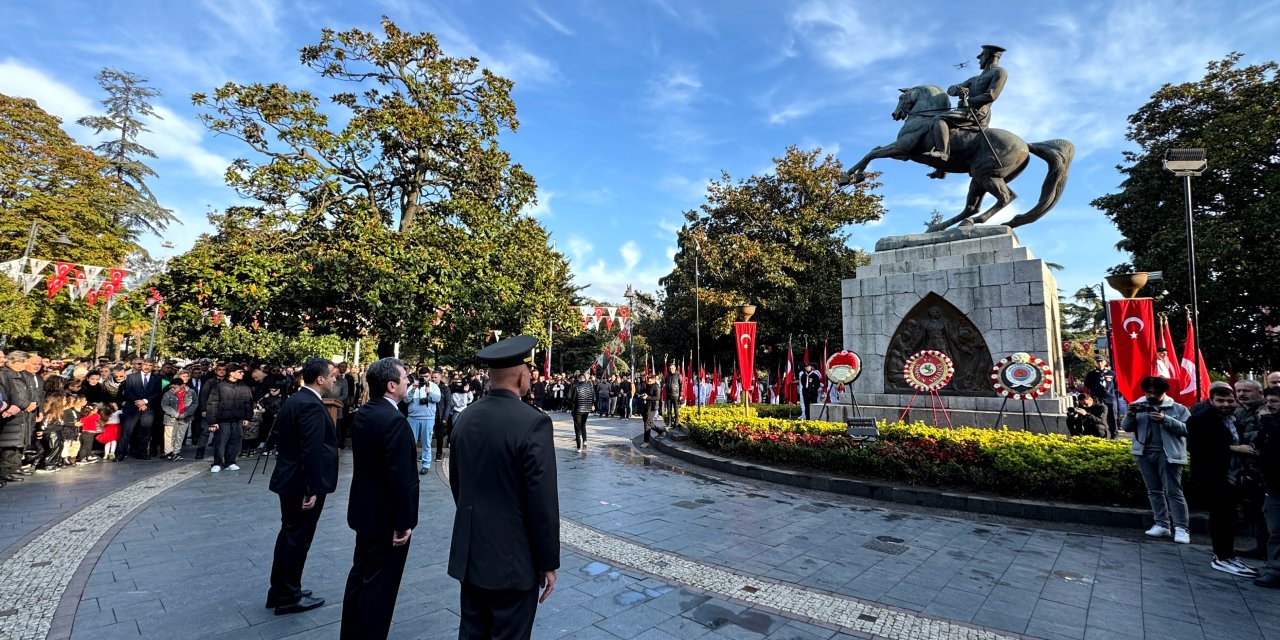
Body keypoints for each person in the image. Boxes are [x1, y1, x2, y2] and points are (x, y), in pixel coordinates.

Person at [449, 335, 559, 640]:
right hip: (514, 559)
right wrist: (548, 562)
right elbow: (542, 501)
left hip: (471, 554)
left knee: (472, 632)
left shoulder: (465, 418)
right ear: (522, 376)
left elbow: (457, 483)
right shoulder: (533, 422)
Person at [341, 358, 418, 640]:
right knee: (379, 589)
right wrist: (403, 522)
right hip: (386, 519)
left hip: (365, 512)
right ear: (391, 385)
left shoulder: (365, 413)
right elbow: (399, 478)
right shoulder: (393, 421)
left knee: (361, 578)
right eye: (405, 378)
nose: (409, 382)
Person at [267, 358, 339, 616]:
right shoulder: (309, 405)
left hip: (291, 479)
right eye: (332, 375)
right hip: (300, 483)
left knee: (289, 535)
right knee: (297, 539)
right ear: (320, 379)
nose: (334, 379)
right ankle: (288, 595)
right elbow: (311, 450)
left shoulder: (297, 400)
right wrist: (311, 488)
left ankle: (280, 589)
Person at [1187, 384, 1258, 577]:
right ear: (1211, 400)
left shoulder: (1234, 418)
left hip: (1234, 475)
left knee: (1230, 516)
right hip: (1214, 477)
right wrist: (1233, 449)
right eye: (1220, 400)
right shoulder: (1199, 420)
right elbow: (1197, 448)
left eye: (1229, 400)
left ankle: (1228, 554)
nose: (1225, 404)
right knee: (1221, 516)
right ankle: (1222, 557)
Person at [1123, 375, 1193, 544]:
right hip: (1143, 453)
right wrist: (1131, 415)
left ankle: (1181, 528)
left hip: (1168, 455)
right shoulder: (1139, 405)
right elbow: (1126, 427)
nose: (1152, 396)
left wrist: (1165, 420)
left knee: (1173, 492)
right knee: (1153, 490)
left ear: (1164, 392)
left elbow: (1188, 430)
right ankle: (1161, 523)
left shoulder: (1178, 408)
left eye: (1156, 393)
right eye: (1149, 393)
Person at [924, 44, 1008, 170]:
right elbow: (950, 89)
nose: (979, 58)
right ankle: (943, 169)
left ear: (990, 56)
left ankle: (943, 153)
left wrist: (968, 101)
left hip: (978, 112)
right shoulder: (974, 79)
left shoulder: (999, 72)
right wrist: (959, 89)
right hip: (964, 110)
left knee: (939, 119)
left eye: (982, 55)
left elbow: (991, 95)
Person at [207, 363, 254, 473]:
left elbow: (249, 402)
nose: (242, 374)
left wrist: (248, 417)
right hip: (223, 419)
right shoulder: (219, 386)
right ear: (232, 373)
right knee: (220, 442)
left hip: (238, 419)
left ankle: (230, 462)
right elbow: (212, 403)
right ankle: (217, 462)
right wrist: (212, 421)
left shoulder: (244, 386)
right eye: (240, 372)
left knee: (236, 441)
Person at [117, 359, 164, 461]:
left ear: (153, 367)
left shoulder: (157, 378)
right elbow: (128, 391)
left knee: (145, 431)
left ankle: (142, 452)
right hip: (132, 407)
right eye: (145, 364)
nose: (147, 367)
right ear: (141, 365)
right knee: (126, 431)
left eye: (150, 365)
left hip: (148, 407)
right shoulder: (131, 377)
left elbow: (157, 393)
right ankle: (120, 453)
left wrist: (145, 401)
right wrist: (137, 401)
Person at [406, 366, 440, 475]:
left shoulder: (434, 386)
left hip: (428, 418)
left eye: (426, 376)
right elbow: (406, 400)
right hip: (413, 418)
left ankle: (426, 465)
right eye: (422, 376)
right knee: (411, 443)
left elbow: (438, 399)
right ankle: (409, 464)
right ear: (418, 376)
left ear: (429, 375)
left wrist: (429, 392)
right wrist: (413, 390)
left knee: (427, 443)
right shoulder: (413, 386)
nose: (424, 379)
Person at [161, 370, 198, 461]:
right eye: (172, 387)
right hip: (171, 417)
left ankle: (176, 452)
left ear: (182, 386)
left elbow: (195, 404)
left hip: (185, 417)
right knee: (169, 436)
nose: (173, 389)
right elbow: (164, 405)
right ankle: (169, 452)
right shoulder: (168, 393)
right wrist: (176, 414)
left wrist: (186, 414)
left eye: (175, 387)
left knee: (180, 436)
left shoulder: (191, 392)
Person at [1084, 356, 1120, 438]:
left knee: (1112, 417)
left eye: (1101, 361)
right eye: (1097, 361)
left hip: (1110, 399)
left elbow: (1116, 385)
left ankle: (1114, 436)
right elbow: (1087, 385)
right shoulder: (1091, 374)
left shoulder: (1112, 373)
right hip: (1097, 399)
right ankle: (1099, 434)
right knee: (1097, 416)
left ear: (1105, 362)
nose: (1099, 363)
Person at [567, 373, 594, 452]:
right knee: (583, 425)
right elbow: (594, 398)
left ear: (579, 379)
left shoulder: (577, 387)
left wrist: (572, 404)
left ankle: (579, 447)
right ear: (585, 379)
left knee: (577, 427)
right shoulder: (590, 387)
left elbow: (574, 399)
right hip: (587, 409)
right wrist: (591, 404)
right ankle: (585, 441)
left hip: (578, 409)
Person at [662, 363, 684, 429]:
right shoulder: (668, 375)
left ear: (675, 368)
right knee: (669, 410)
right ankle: (669, 423)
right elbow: (665, 383)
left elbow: (681, 386)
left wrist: (681, 395)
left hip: (675, 395)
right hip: (668, 395)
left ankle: (676, 423)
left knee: (676, 410)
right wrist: (664, 385)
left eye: (672, 368)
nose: (671, 370)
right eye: (670, 368)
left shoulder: (678, 375)